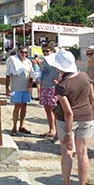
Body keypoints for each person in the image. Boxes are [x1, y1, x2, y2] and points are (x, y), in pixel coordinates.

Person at [45, 49, 94, 185]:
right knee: (83, 153)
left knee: (67, 152)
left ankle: (66, 183)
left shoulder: (61, 86)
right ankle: (82, 183)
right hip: (86, 117)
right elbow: (92, 99)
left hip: (67, 122)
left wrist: (68, 132)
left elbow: (68, 113)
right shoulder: (85, 77)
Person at [6, 46, 34, 136]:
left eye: (26, 52)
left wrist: (30, 82)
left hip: (25, 88)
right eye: (22, 52)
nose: (24, 54)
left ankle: (21, 126)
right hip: (16, 87)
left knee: (24, 107)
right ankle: (14, 127)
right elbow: (8, 75)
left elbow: (31, 74)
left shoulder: (28, 62)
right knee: (17, 107)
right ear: (18, 52)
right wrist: (7, 88)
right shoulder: (13, 60)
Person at [38, 44, 59, 138]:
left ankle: (58, 131)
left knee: (55, 110)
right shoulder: (43, 61)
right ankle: (51, 129)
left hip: (53, 87)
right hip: (44, 87)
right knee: (47, 109)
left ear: (52, 51)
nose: (45, 53)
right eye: (44, 51)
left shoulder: (56, 61)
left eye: (47, 51)